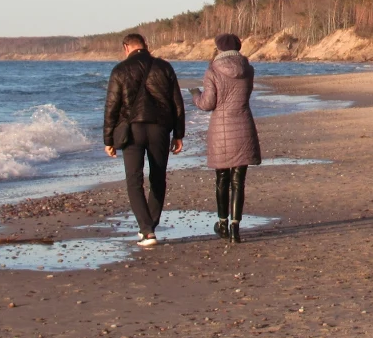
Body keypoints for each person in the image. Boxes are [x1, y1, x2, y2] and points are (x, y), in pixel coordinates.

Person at [103, 33, 185, 247]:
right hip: (160, 129)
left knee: (134, 180)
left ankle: (146, 230)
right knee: (158, 178)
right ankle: (149, 227)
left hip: (132, 131)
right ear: (145, 46)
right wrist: (178, 134)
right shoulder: (164, 67)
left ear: (126, 47)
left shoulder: (120, 69)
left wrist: (108, 139)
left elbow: (111, 106)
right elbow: (177, 103)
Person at [192, 33, 261, 244]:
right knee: (238, 181)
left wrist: (195, 94)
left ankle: (222, 223)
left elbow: (207, 104)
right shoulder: (248, 69)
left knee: (222, 179)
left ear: (219, 49)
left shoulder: (212, 70)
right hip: (244, 126)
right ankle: (235, 228)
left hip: (221, 130)